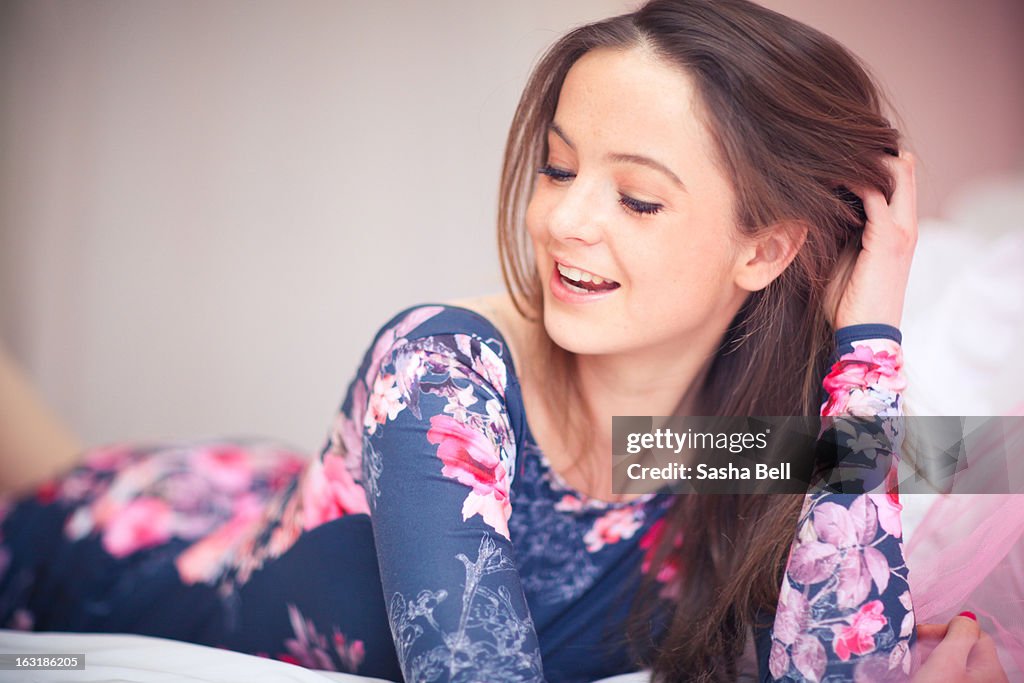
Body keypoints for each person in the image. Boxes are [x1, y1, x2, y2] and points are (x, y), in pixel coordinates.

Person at [0, 1, 1010, 681]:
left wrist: (868, 321)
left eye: (637, 196)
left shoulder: (697, 442)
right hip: (126, 543)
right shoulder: (440, 372)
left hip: (267, 493)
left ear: (767, 247)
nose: (566, 221)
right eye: (559, 167)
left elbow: (962, 480)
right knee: (53, 491)